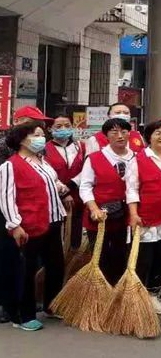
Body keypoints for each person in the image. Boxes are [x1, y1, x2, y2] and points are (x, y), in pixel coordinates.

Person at [0, 122, 68, 331]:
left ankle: (51, 304)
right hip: (29, 225)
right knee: (25, 271)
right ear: (22, 140)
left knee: (55, 266)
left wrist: (61, 188)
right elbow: (6, 198)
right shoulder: (10, 165)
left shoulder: (42, 161)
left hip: (53, 220)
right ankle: (23, 315)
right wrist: (15, 225)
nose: (41, 138)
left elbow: (52, 182)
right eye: (36, 135)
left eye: (41, 135)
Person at [125, 120, 161, 315]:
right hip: (146, 219)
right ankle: (139, 296)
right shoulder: (137, 160)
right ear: (148, 137)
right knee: (144, 258)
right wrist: (134, 214)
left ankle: (154, 293)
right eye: (158, 133)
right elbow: (131, 189)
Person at [79, 118, 136, 285]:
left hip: (126, 217)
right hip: (100, 216)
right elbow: (85, 186)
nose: (120, 136)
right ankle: (101, 290)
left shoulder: (136, 157)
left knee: (122, 255)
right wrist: (93, 208)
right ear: (106, 136)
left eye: (124, 132)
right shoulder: (94, 158)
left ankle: (119, 289)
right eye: (114, 132)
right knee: (100, 256)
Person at [44, 115, 83, 250]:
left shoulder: (80, 147)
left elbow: (87, 170)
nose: (64, 129)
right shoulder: (44, 149)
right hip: (54, 198)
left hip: (79, 197)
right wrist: (64, 193)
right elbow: (46, 174)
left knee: (76, 233)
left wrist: (71, 185)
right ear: (50, 129)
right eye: (59, 126)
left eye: (67, 126)